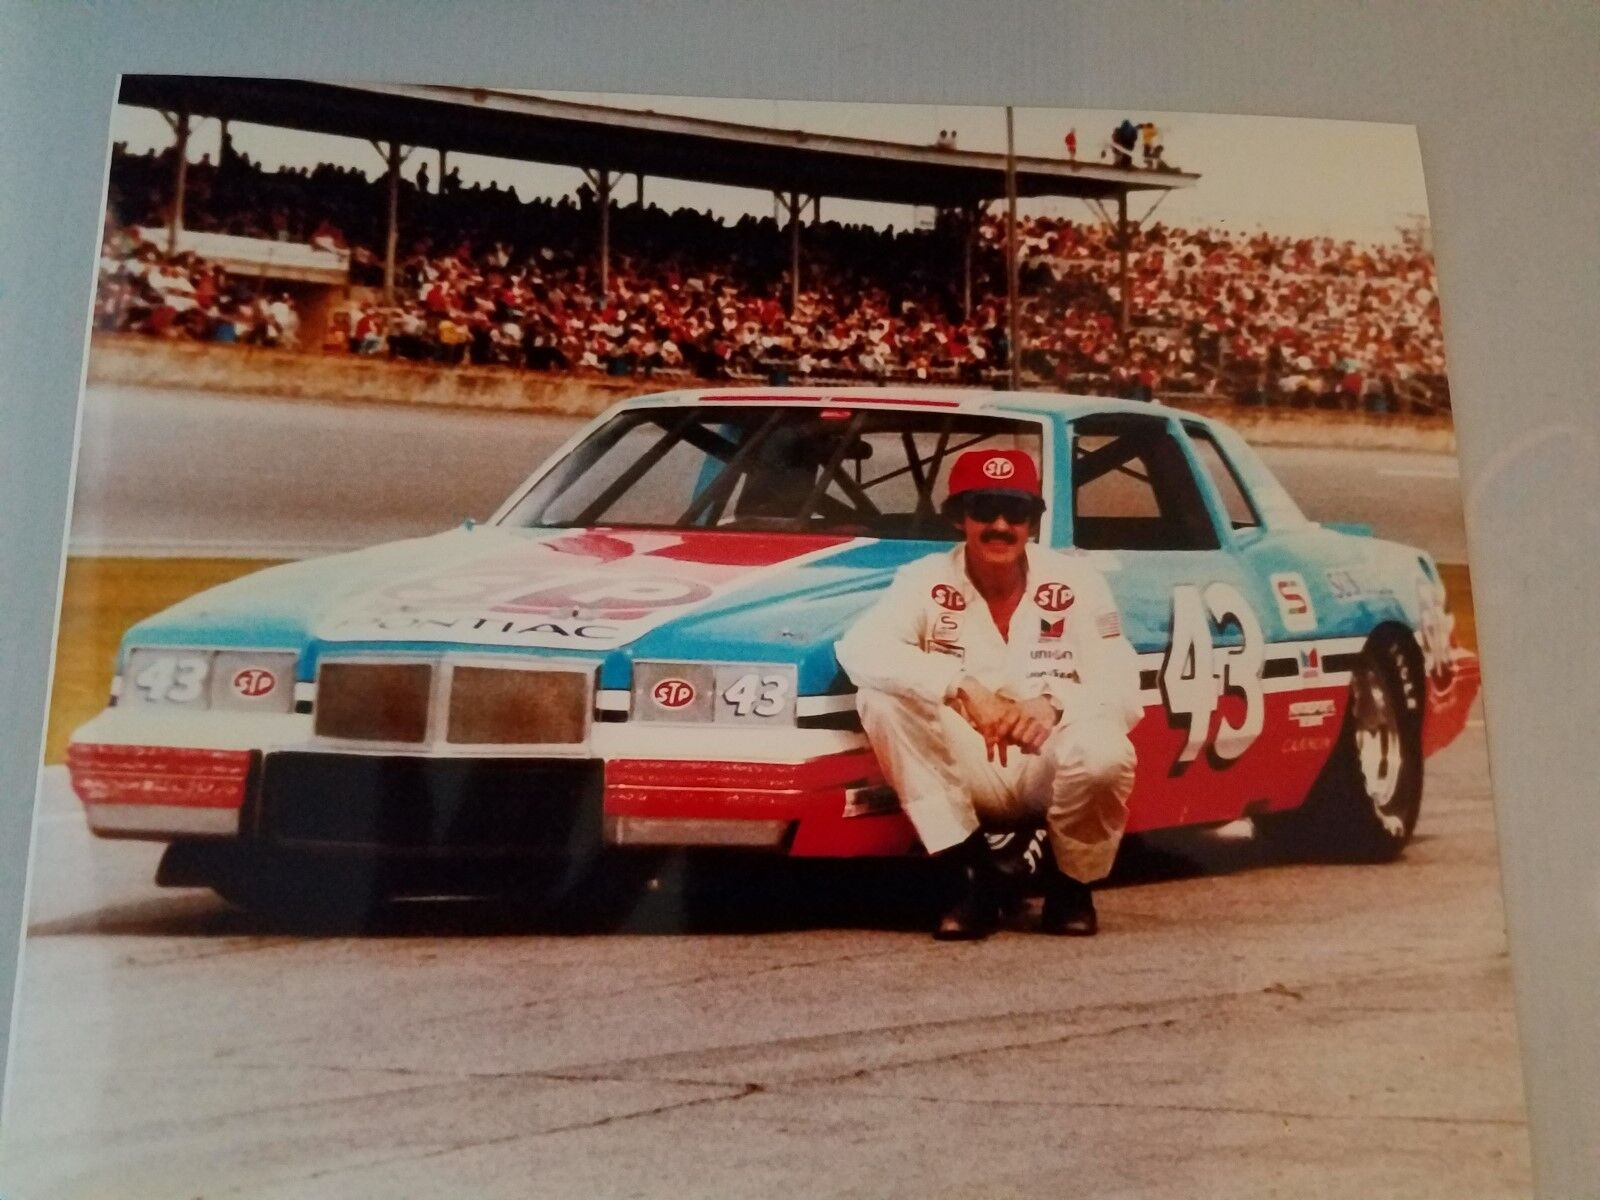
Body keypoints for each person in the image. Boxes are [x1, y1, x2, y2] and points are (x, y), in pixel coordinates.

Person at [836, 449, 1142, 940]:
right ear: (959, 517)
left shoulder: (1078, 583)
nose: (1000, 525)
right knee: (882, 699)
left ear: (1033, 522)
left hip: (1045, 757)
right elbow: (859, 649)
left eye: (1015, 512)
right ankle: (969, 878)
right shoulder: (924, 579)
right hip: (967, 760)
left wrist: (1053, 703)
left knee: (1106, 748)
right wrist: (960, 687)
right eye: (983, 509)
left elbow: (1124, 685)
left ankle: (1072, 885)